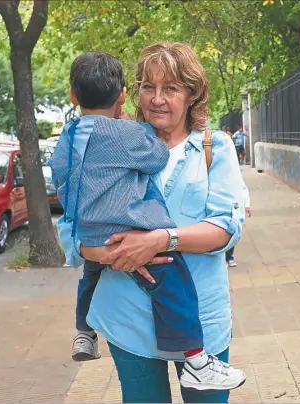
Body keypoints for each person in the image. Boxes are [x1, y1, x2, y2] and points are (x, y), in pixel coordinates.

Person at [56, 42, 246, 403]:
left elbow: (224, 229)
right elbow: (70, 220)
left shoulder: (213, 148)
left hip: (200, 321)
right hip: (129, 319)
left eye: (170, 88)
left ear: (192, 95)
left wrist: (160, 241)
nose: (157, 99)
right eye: (148, 87)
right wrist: (104, 251)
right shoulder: (106, 145)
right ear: (133, 93)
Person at [226, 179, 251, 267]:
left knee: (233, 232)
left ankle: (229, 257)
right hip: (221, 207)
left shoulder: (235, 176)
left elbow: (243, 189)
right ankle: (224, 259)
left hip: (235, 207)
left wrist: (246, 205)